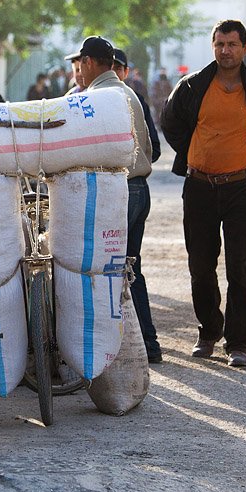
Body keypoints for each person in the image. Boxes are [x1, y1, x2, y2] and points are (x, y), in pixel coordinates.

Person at [160, 19, 246, 368]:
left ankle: (238, 342)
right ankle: (208, 332)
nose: (225, 51)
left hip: (242, 187)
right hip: (200, 185)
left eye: (232, 44)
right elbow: (170, 122)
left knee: (241, 266)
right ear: (213, 46)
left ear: (245, 48)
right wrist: (193, 152)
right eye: (219, 44)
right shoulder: (192, 86)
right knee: (200, 264)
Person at [81, 37, 161, 363]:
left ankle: (116, 352)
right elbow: (150, 149)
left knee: (109, 272)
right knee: (130, 270)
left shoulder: (98, 98)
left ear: (88, 63)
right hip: (140, 188)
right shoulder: (129, 93)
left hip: (121, 191)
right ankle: (149, 346)